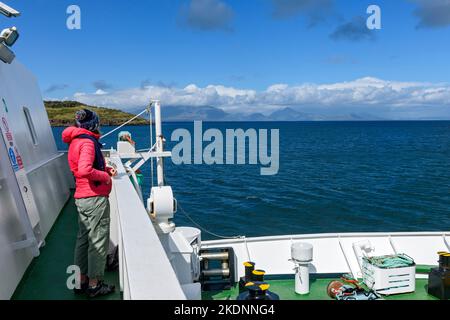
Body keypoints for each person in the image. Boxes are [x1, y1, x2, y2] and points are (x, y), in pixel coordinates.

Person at [62, 109, 117, 298]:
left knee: (83, 240)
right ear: (93, 124)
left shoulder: (75, 141)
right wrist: (105, 176)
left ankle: (80, 281)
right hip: (94, 198)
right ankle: (94, 285)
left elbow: (80, 167)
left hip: (81, 197)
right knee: (98, 242)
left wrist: (104, 168)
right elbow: (85, 169)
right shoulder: (87, 142)